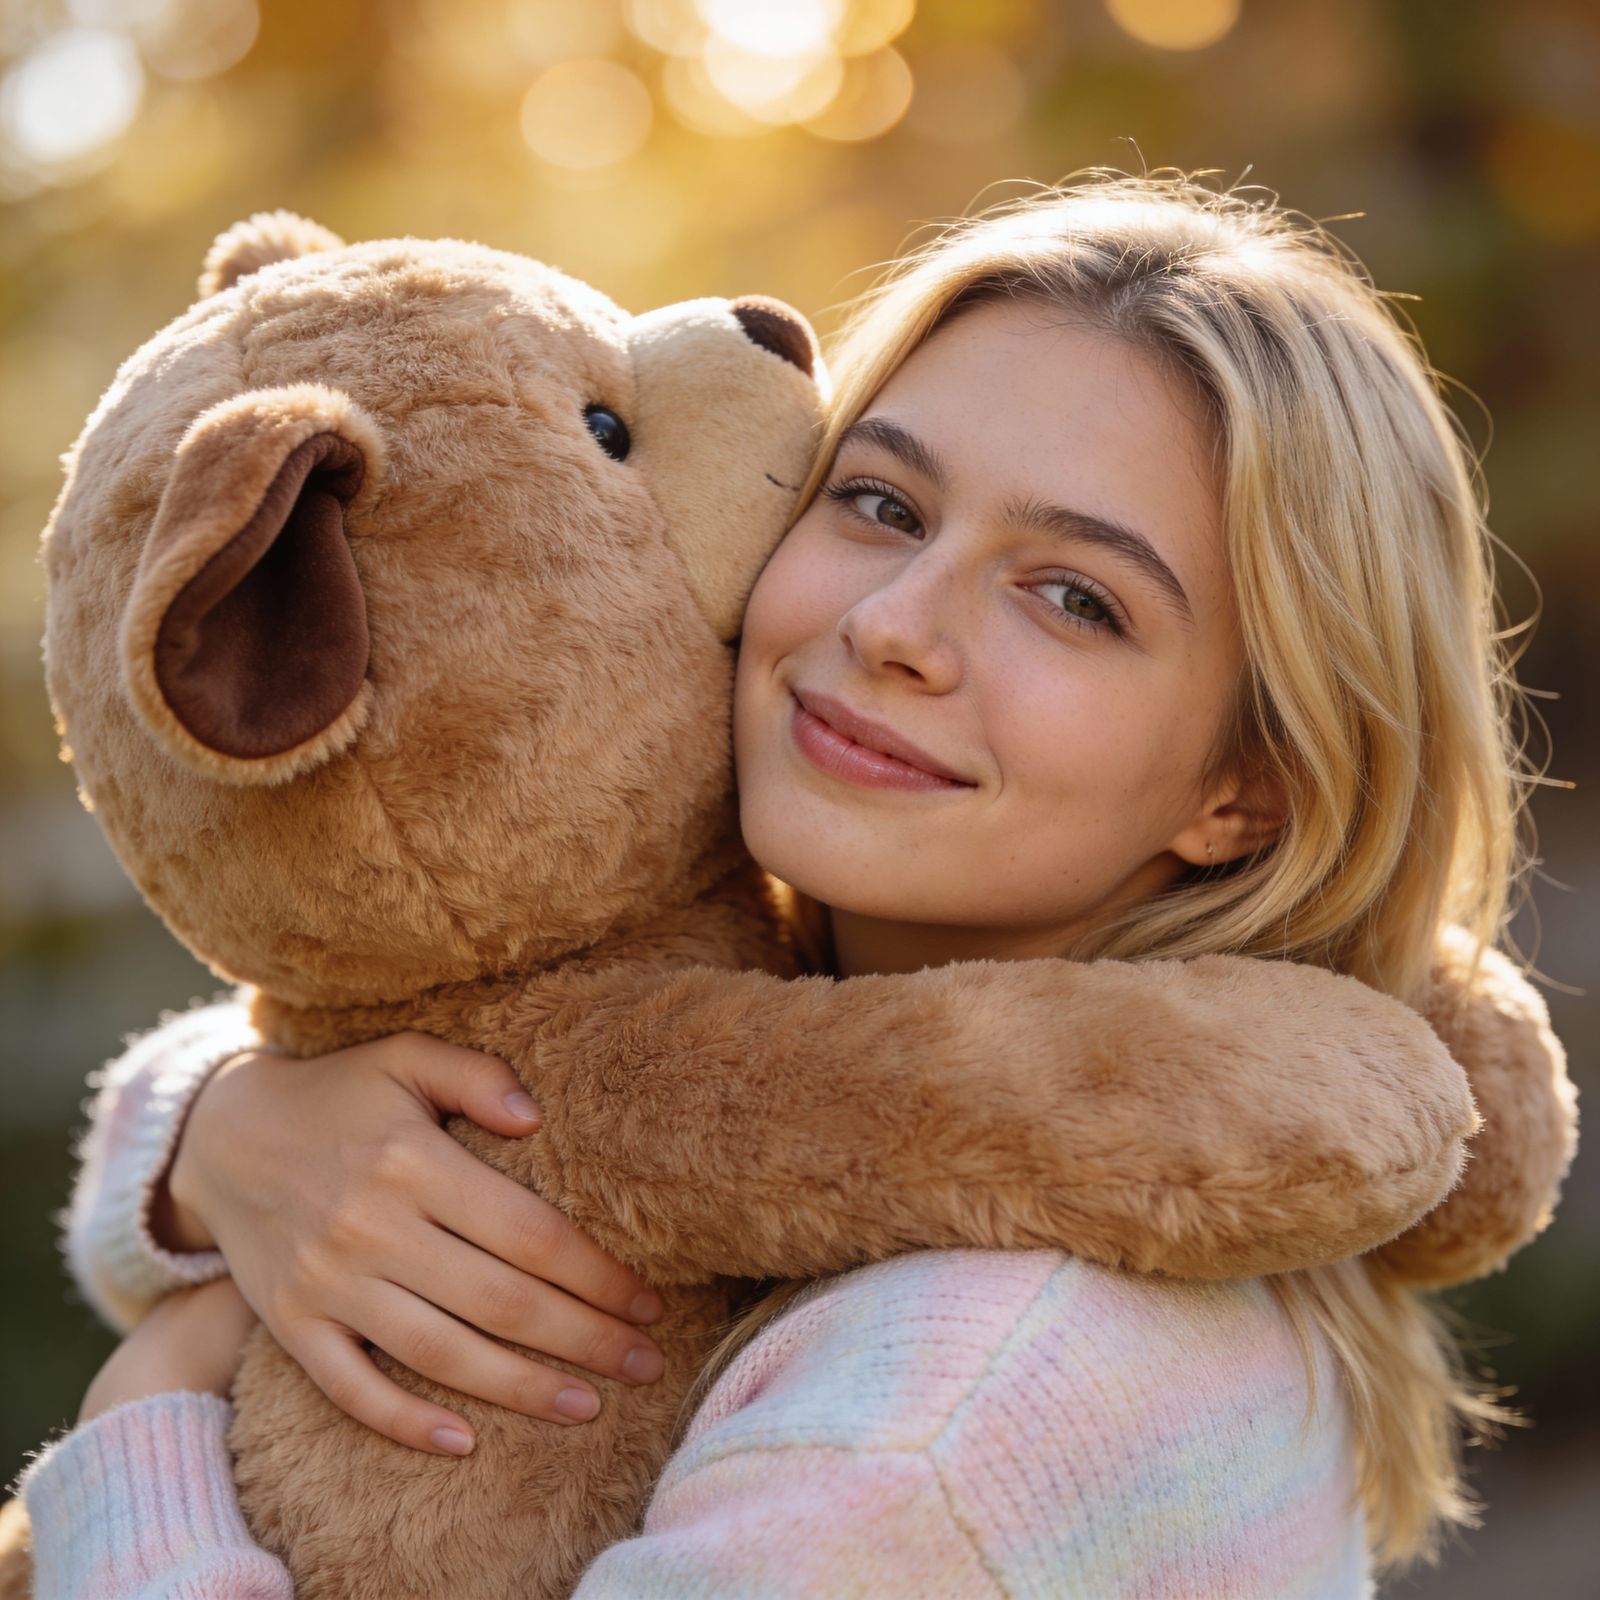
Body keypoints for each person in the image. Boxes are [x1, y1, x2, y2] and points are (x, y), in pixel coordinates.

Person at [17, 169, 1554, 1596]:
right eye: (882, 502)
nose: (898, 621)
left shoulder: (940, 1413)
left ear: (1252, 787)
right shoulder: (806, 996)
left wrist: (136, 1445)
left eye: (1076, 598)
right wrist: (221, 1135)